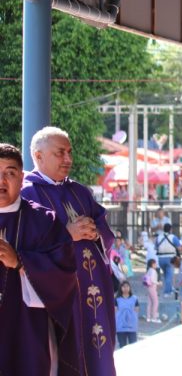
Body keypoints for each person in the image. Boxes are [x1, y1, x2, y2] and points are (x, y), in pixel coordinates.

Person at [22, 126, 117, 375]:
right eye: (60, 153)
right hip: (57, 296)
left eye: (69, 152)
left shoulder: (80, 191)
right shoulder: (26, 194)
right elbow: (26, 249)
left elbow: (105, 232)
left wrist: (96, 233)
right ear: (38, 156)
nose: (68, 159)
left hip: (92, 290)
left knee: (96, 354)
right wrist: (67, 234)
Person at [0, 143, 79, 376]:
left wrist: (21, 263)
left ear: (22, 177)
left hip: (28, 333)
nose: (2, 181)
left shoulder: (44, 221)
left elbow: (65, 276)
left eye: (10, 173)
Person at [155, 222, 181, 296]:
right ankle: (167, 292)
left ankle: (170, 288)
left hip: (161, 259)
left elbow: (155, 247)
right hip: (171, 258)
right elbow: (179, 248)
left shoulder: (159, 237)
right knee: (169, 275)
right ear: (171, 229)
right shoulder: (173, 237)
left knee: (166, 275)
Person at [115, 281, 140, 348]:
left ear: (130, 288)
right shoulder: (117, 299)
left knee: (133, 347)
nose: (125, 288)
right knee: (122, 347)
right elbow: (115, 311)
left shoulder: (134, 298)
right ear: (120, 288)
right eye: (123, 286)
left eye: (127, 286)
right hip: (120, 327)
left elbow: (137, 309)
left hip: (132, 327)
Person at [144, 258, 161, 323]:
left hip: (148, 287)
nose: (156, 265)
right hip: (152, 287)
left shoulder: (149, 270)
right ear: (152, 264)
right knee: (155, 302)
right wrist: (158, 283)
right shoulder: (153, 271)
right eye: (155, 263)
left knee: (150, 302)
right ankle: (154, 317)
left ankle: (148, 317)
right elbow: (153, 280)